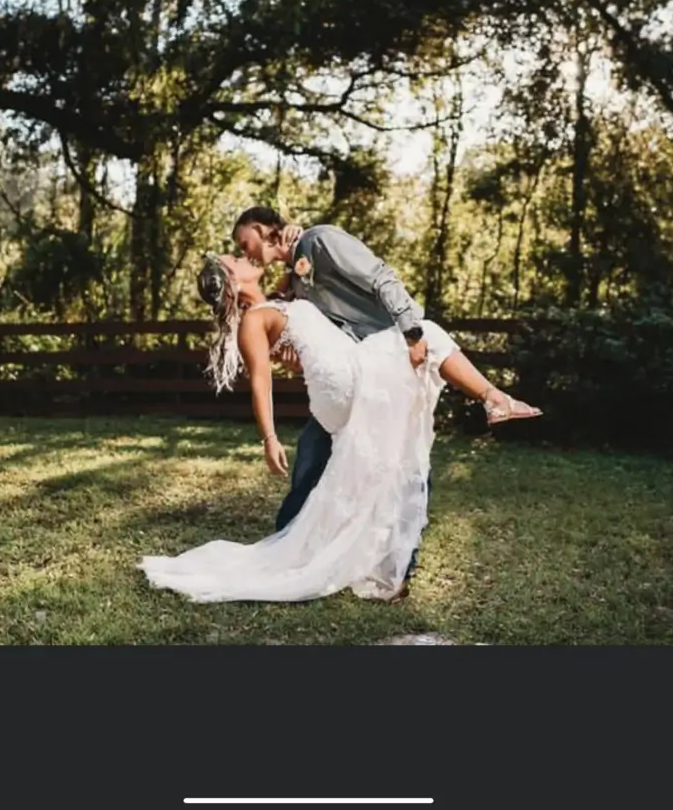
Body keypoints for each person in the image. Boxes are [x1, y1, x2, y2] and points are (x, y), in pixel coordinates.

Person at [137, 251, 540, 605]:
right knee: (426, 333)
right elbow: (261, 378)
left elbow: (305, 302)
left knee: (389, 461)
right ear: (232, 281)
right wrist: (269, 437)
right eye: (236, 260)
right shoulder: (252, 321)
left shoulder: (276, 302)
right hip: (343, 381)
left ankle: (387, 564)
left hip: (341, 376)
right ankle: (494, 398)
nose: (244, 258)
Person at [231, 206, 541, 590]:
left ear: (262, 230)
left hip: (390, 356)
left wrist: (411, 331)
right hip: (355, 371)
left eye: (245, 243)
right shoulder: (295, 280)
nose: (245, 253)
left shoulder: (322, 240)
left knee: (404, 456)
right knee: (314, 462)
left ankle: (400, 561)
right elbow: (296, 324)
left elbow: (380, 275)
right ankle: (291, 544)